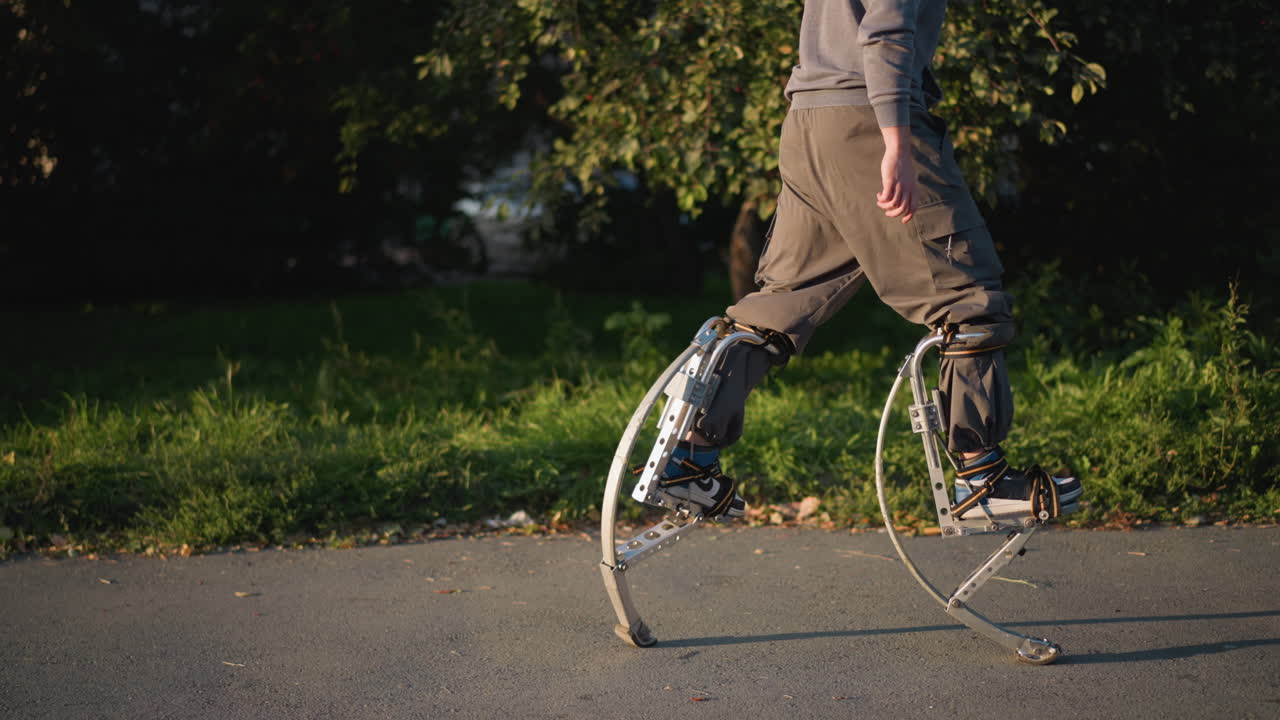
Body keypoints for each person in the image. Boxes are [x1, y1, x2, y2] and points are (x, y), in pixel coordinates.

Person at [647, 0, 1082, 522]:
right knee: (968, 295)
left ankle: (689, 456)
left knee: (784, 299)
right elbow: (885, 30)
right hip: (868, 119)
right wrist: (896, 141)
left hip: (809, 118)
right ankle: (981, 476)